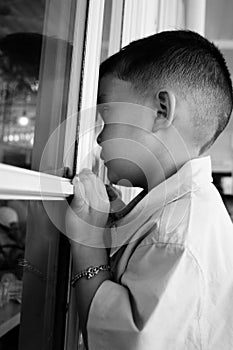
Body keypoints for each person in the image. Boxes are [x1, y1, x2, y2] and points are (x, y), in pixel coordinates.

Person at [65, 30, 233, 350]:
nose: (99, 138)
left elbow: (124, 342)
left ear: (160, 111)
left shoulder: (174, 234)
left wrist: (87, 240)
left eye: (106, 116)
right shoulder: (182, 215)